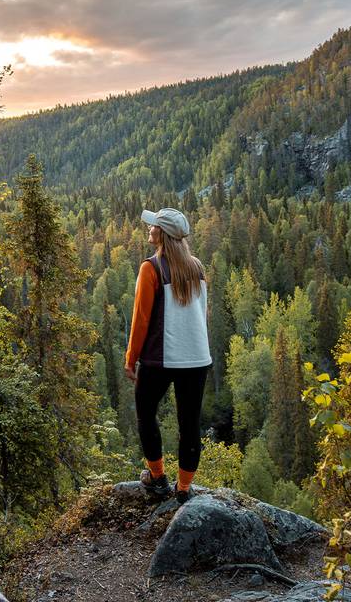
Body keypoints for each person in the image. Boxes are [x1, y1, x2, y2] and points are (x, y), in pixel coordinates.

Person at [124, 206, 212, 503]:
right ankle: (184, 489)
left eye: (153, 226)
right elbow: (202, 314)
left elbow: (141, 319)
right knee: (190, 423)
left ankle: (158, 477)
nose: (149, 229)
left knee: (146, 414)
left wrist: (130, 357)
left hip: (160, 357)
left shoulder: (151, 268)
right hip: (197, 358)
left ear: (162, 234)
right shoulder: (197, 267)